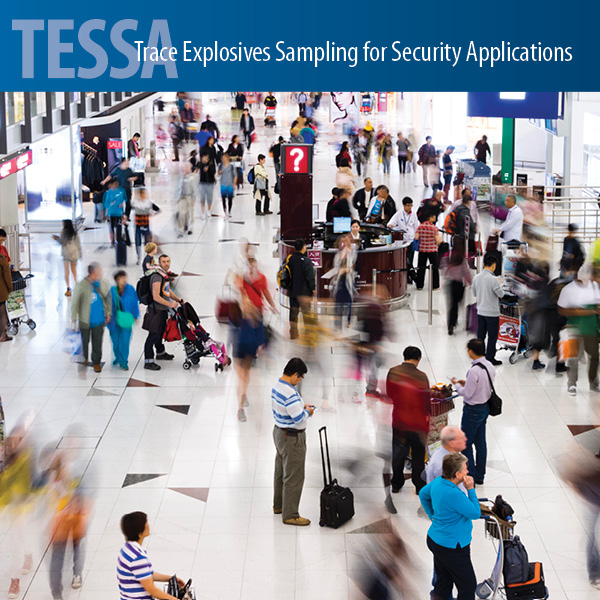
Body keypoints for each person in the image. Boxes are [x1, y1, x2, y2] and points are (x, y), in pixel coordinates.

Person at [419, 453, 480, 600]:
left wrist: (432, 515)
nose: (467, 472)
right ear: (457, 474)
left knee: (444, 580)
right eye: (465, 469)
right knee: (468, 585)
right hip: (453, 546)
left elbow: (423, 494)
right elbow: (475, 513)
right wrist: (471, 489)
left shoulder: (438, 482)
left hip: (435, 540)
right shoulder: (454, 494)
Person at [272, 357, 314, 526]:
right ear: (295, 375)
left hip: (279, 433)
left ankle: (279, 506)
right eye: (301, 377)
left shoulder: (277, 386)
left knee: (280, 472)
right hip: (293, 439)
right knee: (294, 476)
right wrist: (309, 412)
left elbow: (288, 409)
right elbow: (297, 418)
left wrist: (301, 406)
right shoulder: (290, 393)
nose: (301, 380)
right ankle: (290, 514)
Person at [387, 346, 430, 496]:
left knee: (398, 453)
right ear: (418, 359)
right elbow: (426, 401)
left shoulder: (393, 372)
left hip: (399, 420)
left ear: (404, 356)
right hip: (418, 423)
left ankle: (396, 484)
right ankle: (419, 485)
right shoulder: (422, 376)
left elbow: (390, 393)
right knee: (418, 455)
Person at [451, 339, 495, 485]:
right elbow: (482, 385)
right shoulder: (489, 366)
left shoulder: (474, 370)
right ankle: (480, 475)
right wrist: (467, 382)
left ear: (471, 351)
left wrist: (457, 384)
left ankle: (473, 476)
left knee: (465, 444)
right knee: (481, 443)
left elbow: (467, 394)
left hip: (472, 410)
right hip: (484, 408)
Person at [117, 511, 184, 600]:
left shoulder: (127, 549)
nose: (148, 525)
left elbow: (147, 574)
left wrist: (171, 579)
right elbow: (152, 590)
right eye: (146, 523)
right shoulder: (137, 557)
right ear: (139, 532)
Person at [557, 266, 600, 395]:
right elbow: (561, 310)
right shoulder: (568, 290)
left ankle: (594, 383)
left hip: (591, 329)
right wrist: (585, 311)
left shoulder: (595, 287)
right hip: (574, 329)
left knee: (595, 356)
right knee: (573, 357)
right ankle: (571, 384)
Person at [142, 254, 182, 371]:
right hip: (155, 311)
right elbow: (156, 296)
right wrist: (170, 304)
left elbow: (167, 291)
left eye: (168, 261)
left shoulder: (164, 276)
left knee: (160, 332)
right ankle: (148, 361)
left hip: (162, 310)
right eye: (163, 261)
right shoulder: (157, 277)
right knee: (153, 335)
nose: (166, 263)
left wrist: (179, 300)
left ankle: (160, 352)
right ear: (159, 263)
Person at [70, 263, 111, 373]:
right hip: (85, 320)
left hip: (99, 320)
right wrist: (73, 316)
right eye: (99, 271)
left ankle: (96, 362)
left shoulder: (103, 283)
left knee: (97, 343)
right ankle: (84, 360)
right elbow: (75, 302)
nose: (101, 273)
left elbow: (108, 298)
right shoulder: (81, 285)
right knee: (84, 342)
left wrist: (108, 313)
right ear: (93, 273)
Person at [233, 295, 266, 422]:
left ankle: (244, 394)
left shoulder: (256, 319)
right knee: (241, 380)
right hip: (238, 351)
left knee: (245, 379)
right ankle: (240, 408)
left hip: (249, 353)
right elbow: (232, 333)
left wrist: (260, 348)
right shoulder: (238, 317)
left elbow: (261, 336)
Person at [472, 254, 505, 365]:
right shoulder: (494, 279)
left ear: (484, 264)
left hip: (480, 311)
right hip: (492, 313)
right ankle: (490, 358)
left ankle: (479, 356)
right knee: (492, 336)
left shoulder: (476, 277)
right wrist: (500, 285)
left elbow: (474, 293)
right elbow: (501, 295)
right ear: (493, 266)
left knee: (480, 335)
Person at [108, 271, 140, 371]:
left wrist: (136, 315)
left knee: (125, 341)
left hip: (126, 319)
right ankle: (117, 356)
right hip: (114, 320)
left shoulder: (130, 289)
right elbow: (107, 305)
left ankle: (123, 361)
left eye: (124, 277)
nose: (124, 279)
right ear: (117, 280)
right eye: (121, 278)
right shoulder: (112, 291)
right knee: (116, 341)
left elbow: (135, 303)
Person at [442, 239, 472, 335]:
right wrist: (470, 282)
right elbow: (466, 272)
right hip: (459, 284)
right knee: (458, 303)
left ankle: (451, 323)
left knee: (452, 304)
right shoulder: (461, 258)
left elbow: (443, 268)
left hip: (450, 283)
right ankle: (453, 322)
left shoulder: (448, 256)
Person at [287, 239, 316, 340]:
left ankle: (293, 333)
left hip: (293, 291)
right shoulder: (307, 261)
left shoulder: (289, 259)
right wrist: (313, 289)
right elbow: (310, 277)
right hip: (304, 292)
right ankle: (308, 334)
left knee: (293, 313)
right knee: (306, 313)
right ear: (304, 248)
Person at [53, 219, 82, 297]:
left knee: (67, 272)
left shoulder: (64, 232)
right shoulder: (75, 233)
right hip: (74, 253)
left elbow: (63, 243)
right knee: (74, 271)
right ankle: (77, 286)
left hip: (66, 254)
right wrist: (80, 255)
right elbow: (78, 244)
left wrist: (56, 238)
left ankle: (68, 288)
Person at [332, 236, 356, 329]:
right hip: (339, 282)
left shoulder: (351, 253)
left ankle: (348, 321)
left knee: (349, 303)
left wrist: (346, 270)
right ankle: (338, 327)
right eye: (341, 242)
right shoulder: (338, 254)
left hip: (348, 281)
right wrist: (339, 271)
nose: (343, 244)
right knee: (338, 305)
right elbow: (335, 268)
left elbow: (353, 266)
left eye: (345, 242)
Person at [131, 188, 159, 263]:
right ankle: (139, 257)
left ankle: (147, 257)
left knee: (147, 242)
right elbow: (128, 209)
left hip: (146, 225)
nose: (144, 195)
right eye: (142, 194)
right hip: (138, 225)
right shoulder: (135, 203)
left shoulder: (148, 203)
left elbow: (157, 209)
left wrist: (152, 214)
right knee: (138, 242)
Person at [414, 212, 442, 290]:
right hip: (432, 250)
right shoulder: (434, 228)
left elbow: (416, 237)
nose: (435, 218)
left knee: (421, 267)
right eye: (434, 217)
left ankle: (419, 285)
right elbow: (438, 240)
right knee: (434, 268)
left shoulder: (420, 226)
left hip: (422, 250)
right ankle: (435, 286)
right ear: (430, 218)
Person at [102, 178, 127, 246]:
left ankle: (116, 240)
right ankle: (115, 240)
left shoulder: (117, 191)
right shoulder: (115, 192)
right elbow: (107, 203)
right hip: (114, 212)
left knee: (115, 226)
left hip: (115, 213)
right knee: (114, 226)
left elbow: (107, 203)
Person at [197, 153, 216, 220]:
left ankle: (208, 210)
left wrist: (209, 169)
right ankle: (203, 213)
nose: (204, 159)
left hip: (209, 183)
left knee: (209, 197)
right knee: (202, 198)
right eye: (203, 157)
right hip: (202, 183)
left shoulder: (211, 164)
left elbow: (214, 172)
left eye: (205, 157)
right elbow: (195, 170)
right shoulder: (199, 164)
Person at [219, 153, 237, 219]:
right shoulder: (221, 165)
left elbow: (235, 176)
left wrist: (234, 184)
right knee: (223, 199)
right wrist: (219, 172)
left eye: (223, 157)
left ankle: (229, 211)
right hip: (223, 184)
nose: (222, 159)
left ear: (227, 158)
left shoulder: (232, 166)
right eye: (222, 158)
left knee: (230, 199)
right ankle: (225, 211)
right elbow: (218, 173)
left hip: (230, 184)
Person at [0, 253, 13, 342]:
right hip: (0, 290)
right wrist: (10, 288)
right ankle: (3, 335)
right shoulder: (1, 258)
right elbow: (7, 275)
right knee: (2, 313)